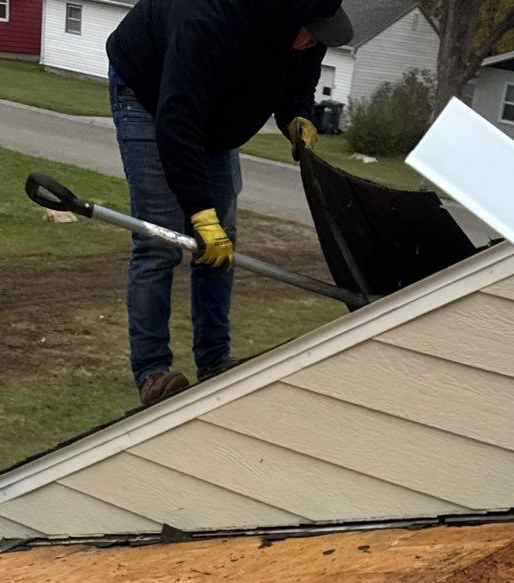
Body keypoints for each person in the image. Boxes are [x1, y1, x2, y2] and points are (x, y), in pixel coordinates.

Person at [107, 0, 352, 408]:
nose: (313, 40)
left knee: (223, 241)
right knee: (160, 240)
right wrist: (199, 212)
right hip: (150, 93)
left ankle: (214, 359)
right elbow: (178, 118)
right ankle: (152, 371)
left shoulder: (303, 34)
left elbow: (299, 81)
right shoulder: (206, 19)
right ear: (285, 15)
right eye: (309, 29)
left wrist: (298, 113)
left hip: (216, 111)